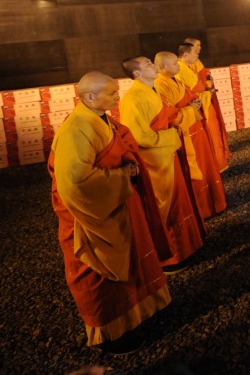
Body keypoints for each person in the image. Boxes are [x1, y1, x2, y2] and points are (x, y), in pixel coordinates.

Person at [48, 72, 171, 353]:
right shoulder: (76, 129)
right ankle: (113, 335)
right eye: (112, 93)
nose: (118, 97)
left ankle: (136, 316)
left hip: (118, 206)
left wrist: (128, 167)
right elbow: (75, 183)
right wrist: (121, 175)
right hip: (94, 218)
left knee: (130, 263)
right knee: (101, 274)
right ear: (89, 97)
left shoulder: (100, 120)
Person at [119, 56, 206, 272]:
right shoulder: (132, 99)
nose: (153, 66)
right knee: (163, 208)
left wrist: (184, 116)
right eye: (148, 64)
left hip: (167, 154)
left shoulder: (153, 91)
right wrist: (171, 135)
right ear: (136, 74)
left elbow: (170, 116)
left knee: (178, 202)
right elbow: (139, 136)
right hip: (155, 162)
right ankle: (170, 258)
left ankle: (185, 248)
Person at [154, 51, 227, 219]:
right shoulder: (160, 86)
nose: (178, 66)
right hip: (185, 135)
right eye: (174, 63)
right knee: (194, 172)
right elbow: (169, 115)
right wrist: (191, 108)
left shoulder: (177, 81)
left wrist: (197, 101)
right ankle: (201, 209)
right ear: (163, 67)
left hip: (196, 128)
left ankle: (213, 203)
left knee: (205, 165)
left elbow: (192, 96)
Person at [178, 42, 230, 173]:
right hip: (192, 111)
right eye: (196, 50)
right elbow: (197, 89)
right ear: (185, 54)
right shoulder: (181, 68)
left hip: (197, 106)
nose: (198, 52)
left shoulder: (186, 67)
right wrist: (207, 92)